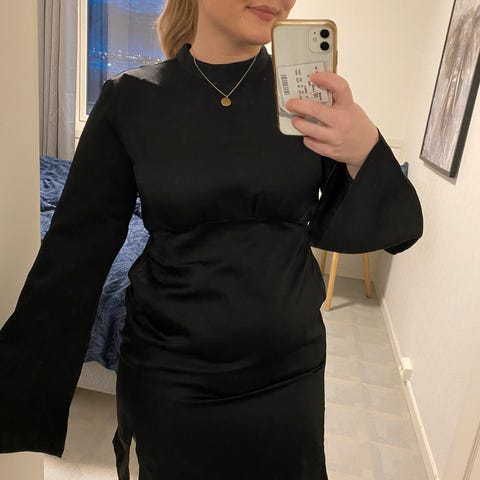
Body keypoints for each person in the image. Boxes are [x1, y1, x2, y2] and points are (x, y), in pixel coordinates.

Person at [0, 0, 423, 478]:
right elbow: (75, 253)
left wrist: (365, 148)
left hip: (290, 373)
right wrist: (17, 394)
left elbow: (395, 229)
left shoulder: (304, 99)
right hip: (172, 375)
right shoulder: (132, 99)